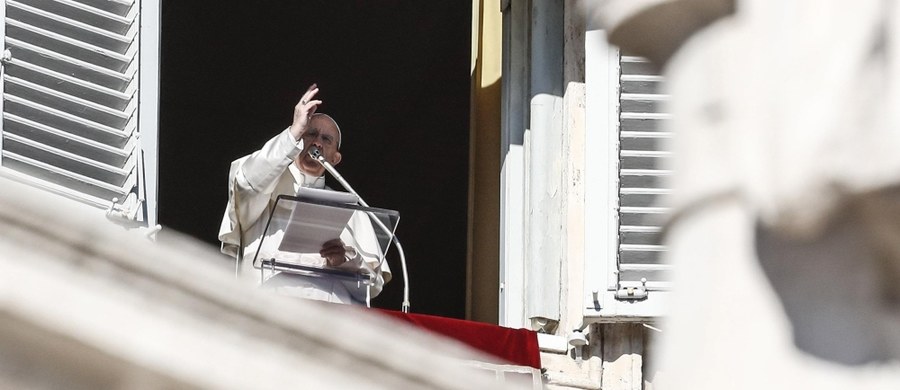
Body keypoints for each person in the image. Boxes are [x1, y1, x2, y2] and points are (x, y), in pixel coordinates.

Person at [218, 84, 391, 305]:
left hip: (331, 317)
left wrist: (345, 259)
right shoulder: (265, 186)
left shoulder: (352, 210)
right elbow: (245, 182)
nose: (317, 142)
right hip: (270, 306)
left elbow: (373, 285)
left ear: (335, 158)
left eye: (326, 139)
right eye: (310, 133)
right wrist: (292, 133)